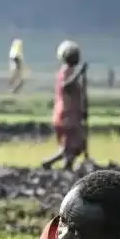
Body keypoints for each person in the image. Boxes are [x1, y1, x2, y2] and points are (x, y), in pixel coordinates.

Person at [41, 40, 90, 170]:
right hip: (66, 115)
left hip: (73, 114)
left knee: (77, 146)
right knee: (69, 147)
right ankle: (48, 162)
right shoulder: (66, 72)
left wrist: (83, 109)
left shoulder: (71, 72)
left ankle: (67, 167)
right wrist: (80, 73)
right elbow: (66, 86)